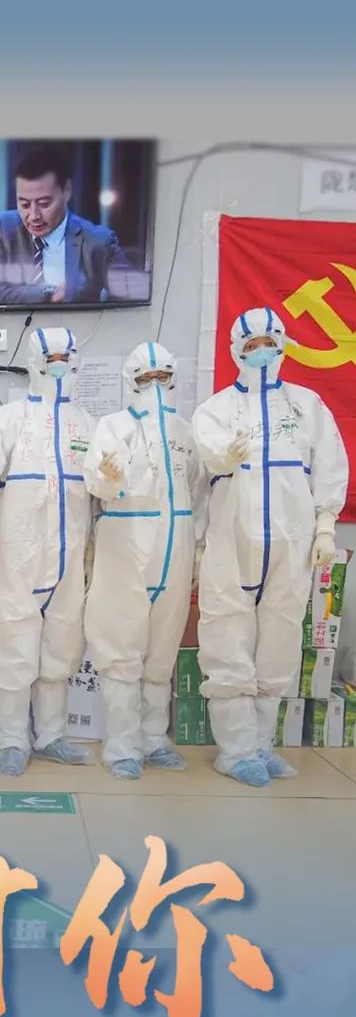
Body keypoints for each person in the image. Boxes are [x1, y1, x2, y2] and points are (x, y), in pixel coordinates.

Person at [192, 308, 348, 787]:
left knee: (280, 636)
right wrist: (227, 455)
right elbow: (207, 458)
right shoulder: (216, 409)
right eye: (250, 345)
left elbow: (330, 465)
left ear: (281, 343)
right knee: (227, 636)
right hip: (231, 540)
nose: (260, 352)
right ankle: (235, 751)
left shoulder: (306, 405)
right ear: (235, 350)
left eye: (267, 343)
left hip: (292, 540)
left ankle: (260, 746)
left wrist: (325, 526)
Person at [0, 326, 95, 775]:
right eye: (50, 358)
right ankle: (10, 740)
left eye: (65, 358)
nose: (58, 366)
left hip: (69, 554)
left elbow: (103, 487)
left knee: (61, 644)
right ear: (35, 362)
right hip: (18, 555)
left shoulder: (87, 424)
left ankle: (51, 736)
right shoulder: (9, 418)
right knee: (12, 643)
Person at [84, 342, 207, 778]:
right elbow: (95, 480)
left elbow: (200, 493)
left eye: (162, 377)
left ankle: (154, 739)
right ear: (130, 380)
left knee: (162, 648)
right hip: (126, 543)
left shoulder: (186, 432)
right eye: (145, 378)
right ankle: (121, 746)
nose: (154, 385)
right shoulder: (113, 426)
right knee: (122, 646)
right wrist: (108, 476)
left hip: (176, 546)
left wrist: (199, 550)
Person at [0, 144, 130, 306]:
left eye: (44, 204)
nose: (34, 216)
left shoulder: (98, 241)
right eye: (25, 205)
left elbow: (130, 298)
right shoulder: (5, 228)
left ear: (66, 190)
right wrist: (47, 293)